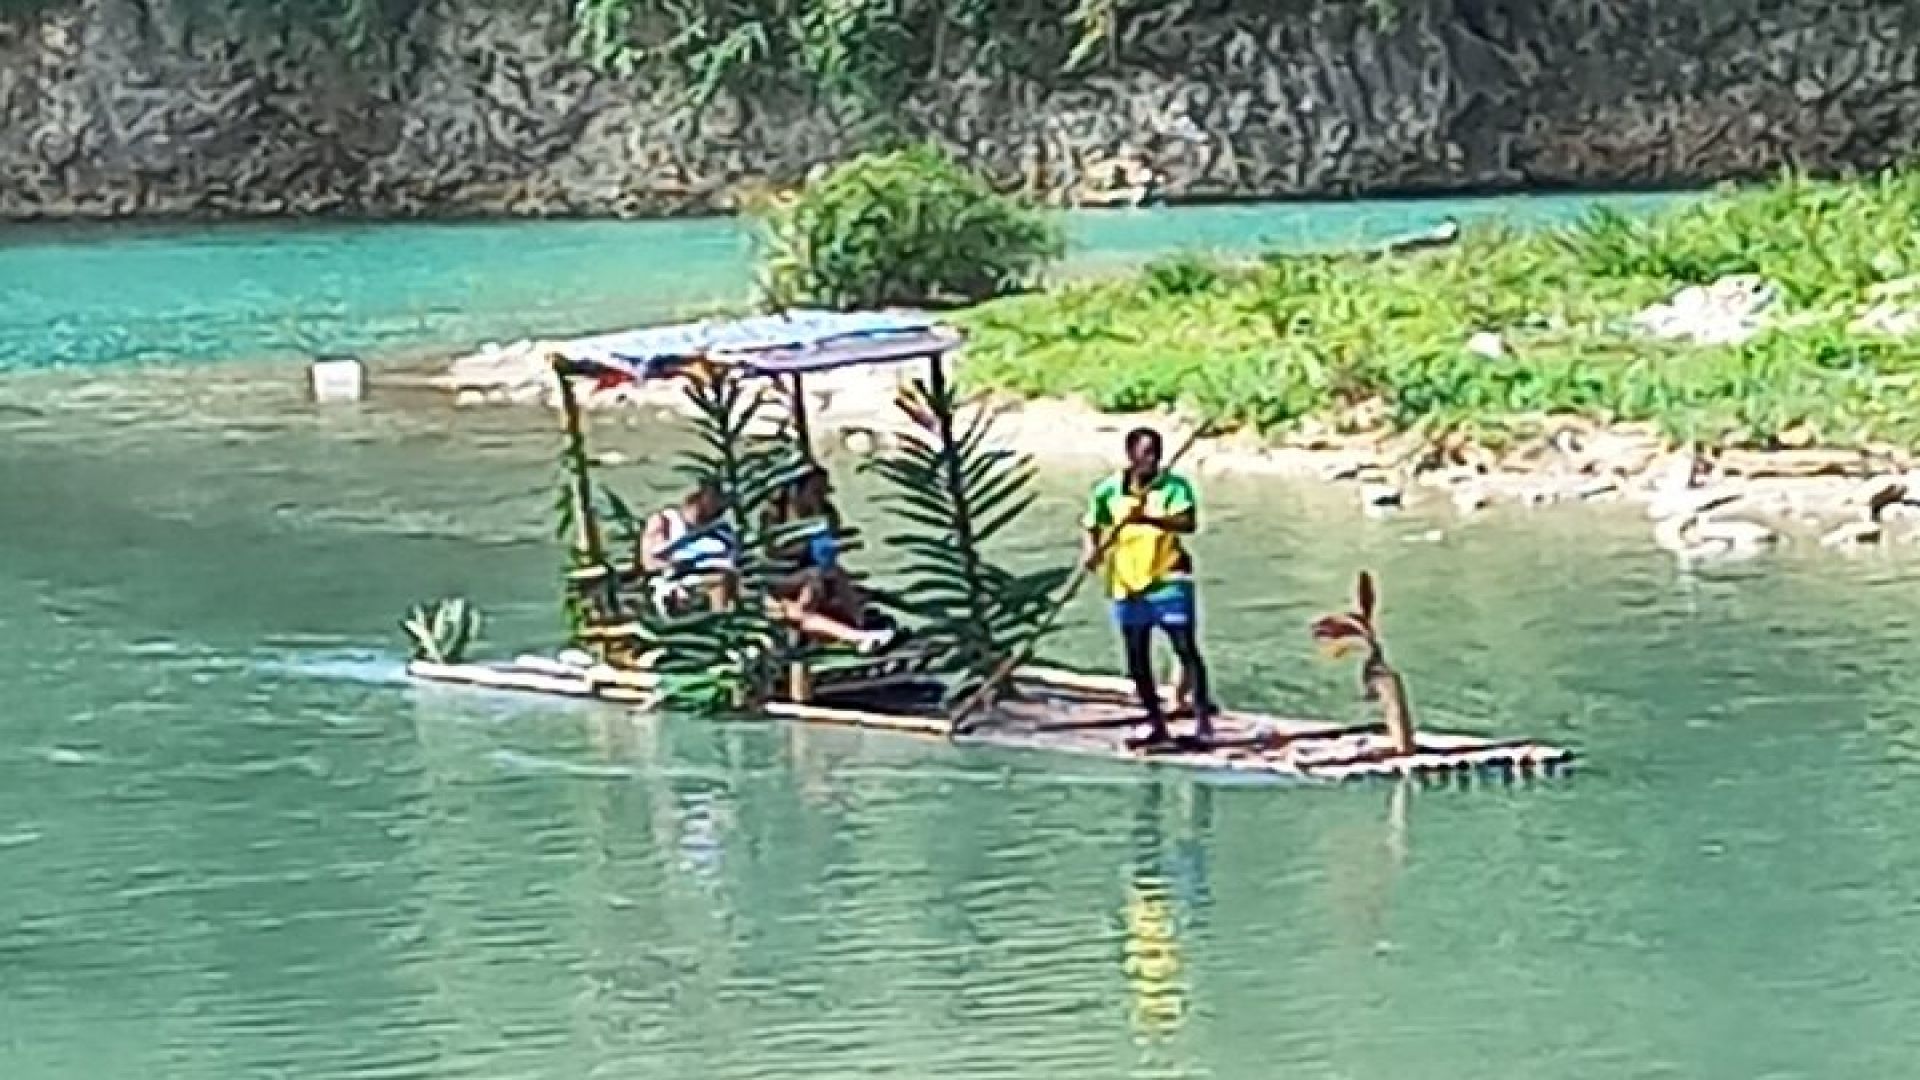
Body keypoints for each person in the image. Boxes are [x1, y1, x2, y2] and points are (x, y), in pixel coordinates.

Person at [1083, 427, 1215, 749]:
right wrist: (1092, 551)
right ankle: (1155, 722)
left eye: (1156, 453)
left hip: (1168, 579)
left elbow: (1188, 522)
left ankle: (1202, 723)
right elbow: (1091, 524)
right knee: (1137, 658)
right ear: (1131, 455)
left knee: (1185, 650)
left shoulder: (1173, 487)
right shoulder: (1108, 490)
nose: (1152, 460)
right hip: (1127, 583)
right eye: (1145, 454)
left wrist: (1148, 518)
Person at [764, 465, 898, 654]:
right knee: (809, 592)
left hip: (816, 577)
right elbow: (777, 562)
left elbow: (828, 550)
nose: (824, 493)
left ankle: (860, 628)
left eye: (824, 489)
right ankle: (857, 636)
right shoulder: (780, 521)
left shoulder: (826, 513)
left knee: (833, 576)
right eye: (816, 490)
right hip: (787, 580)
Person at [639, 480, 740, 614]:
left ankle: (720, 619)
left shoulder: (723, 531)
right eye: (718, 499)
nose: (722, 506)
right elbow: (649, 562)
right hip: (674, 579)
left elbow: (732, 561)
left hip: (716, 580)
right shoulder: (665, 521)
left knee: (724, 579)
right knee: (719, 580)